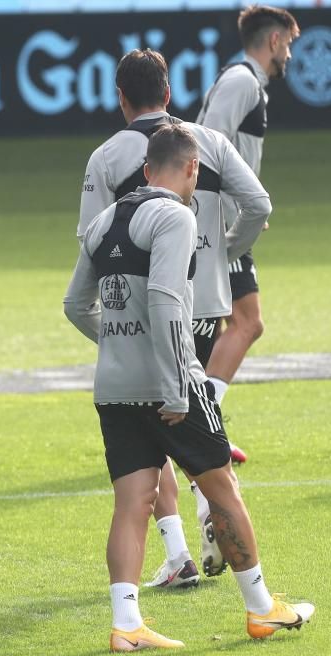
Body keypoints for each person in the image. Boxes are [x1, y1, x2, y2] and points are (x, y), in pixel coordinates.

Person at [64, 123, 313, 651]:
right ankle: (261, 608)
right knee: (222, 488)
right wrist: (178, 387)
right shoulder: (176, 216)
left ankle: (127, 624)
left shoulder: (106, 218)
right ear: (193, 170)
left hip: (113, 385)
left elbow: (73, 306)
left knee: (133, 500)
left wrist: (116, 344)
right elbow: (165, 300)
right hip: (170, 384)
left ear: (147, 168)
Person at [77, 49, 269, 588]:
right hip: (207, 303)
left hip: (145, 312)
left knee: (153, 423)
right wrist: (228, 253)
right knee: (185, 424)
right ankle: (208, 520)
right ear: (168, 92)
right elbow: (258, 203)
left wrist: (115, 331)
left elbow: (90, 244)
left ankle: (181, 548)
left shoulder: (109, 155)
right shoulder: (205, 141)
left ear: (121, 99)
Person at [196, 5, 301, 461]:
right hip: (219, 223)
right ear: (274, 40)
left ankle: (200, 423)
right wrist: (233, 209)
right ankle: (203, 421)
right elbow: (206, 142)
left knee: (220, 325)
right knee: (248, 321)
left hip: (225, 217)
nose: (290, 56)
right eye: (289, 44)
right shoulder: (241, 82)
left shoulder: (243, 82)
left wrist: (248, 202)